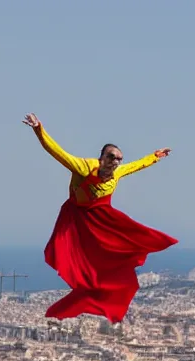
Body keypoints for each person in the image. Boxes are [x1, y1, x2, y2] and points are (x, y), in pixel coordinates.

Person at [23, 113, 178, 323]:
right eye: (111, 157)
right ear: (102, 157)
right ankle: (86, 285)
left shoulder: (118, 172)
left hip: (102, 217)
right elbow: (58, 152)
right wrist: (39, 130)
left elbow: (137, 165)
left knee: (130, 241)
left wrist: (155, 156)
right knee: (74, 257)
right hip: (78, 217)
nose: (115, 162)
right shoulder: (84, 167)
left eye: (119, 159)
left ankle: (108, 281)